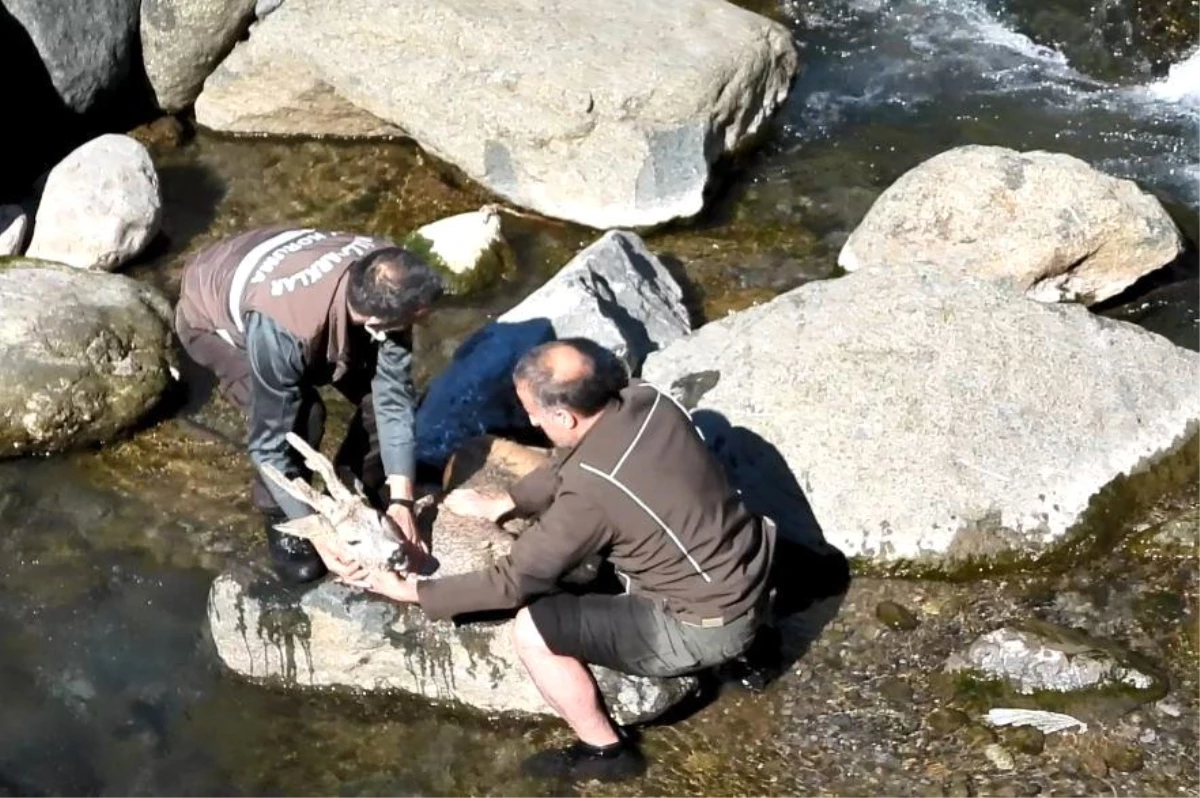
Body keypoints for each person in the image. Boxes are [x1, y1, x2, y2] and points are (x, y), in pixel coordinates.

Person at [337, 337, 776, 782]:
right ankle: (753, 654)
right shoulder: (648, 401)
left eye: (532, 411)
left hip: (705, 626)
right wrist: (508, 501)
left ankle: (605, 752)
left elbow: (513, 581)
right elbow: (572, 461)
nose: (528, 419)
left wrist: (415, 591)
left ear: (564, 416)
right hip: (755, 571)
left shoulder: (588, 495)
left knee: (534, 631)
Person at [174, 225, 445, 584]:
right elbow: (269, 447)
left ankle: (355, 488)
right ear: (378, 322)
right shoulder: (283, 328)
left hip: (277, 265)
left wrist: (402, 500)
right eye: (417, 318)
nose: (423, 321)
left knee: (382, 403)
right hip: (214, 320)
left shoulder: (391, 274)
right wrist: (318, 533)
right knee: (302, 417)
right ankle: (282, 515)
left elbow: (391, 399)